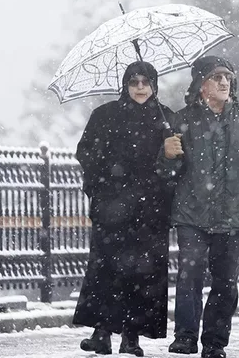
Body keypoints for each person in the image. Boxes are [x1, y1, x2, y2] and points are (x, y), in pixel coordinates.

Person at [158, 55, 239, 358]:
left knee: (225, 282)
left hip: (234, 215)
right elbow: (167, 175)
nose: (224, 82)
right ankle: (185, 336)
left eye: (227, 76)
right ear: (201, 85)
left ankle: (214, 343)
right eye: (216, 77)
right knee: (190, 274)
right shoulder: (181, 121)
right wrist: (167, 155)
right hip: (191, 214)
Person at [73, 61, 174, 357]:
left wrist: (169, 156)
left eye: (145, 82)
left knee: (143, 275)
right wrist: (108, 179)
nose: (140, 88)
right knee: (108, 270)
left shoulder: (165, 118)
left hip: (151, 211)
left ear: (154, 84)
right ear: (125, 85)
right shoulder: (105, 116)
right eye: (134, 82)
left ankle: (132, 337)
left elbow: (177, 163)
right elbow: (86, 151)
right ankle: (101, 333)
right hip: (112, 208)